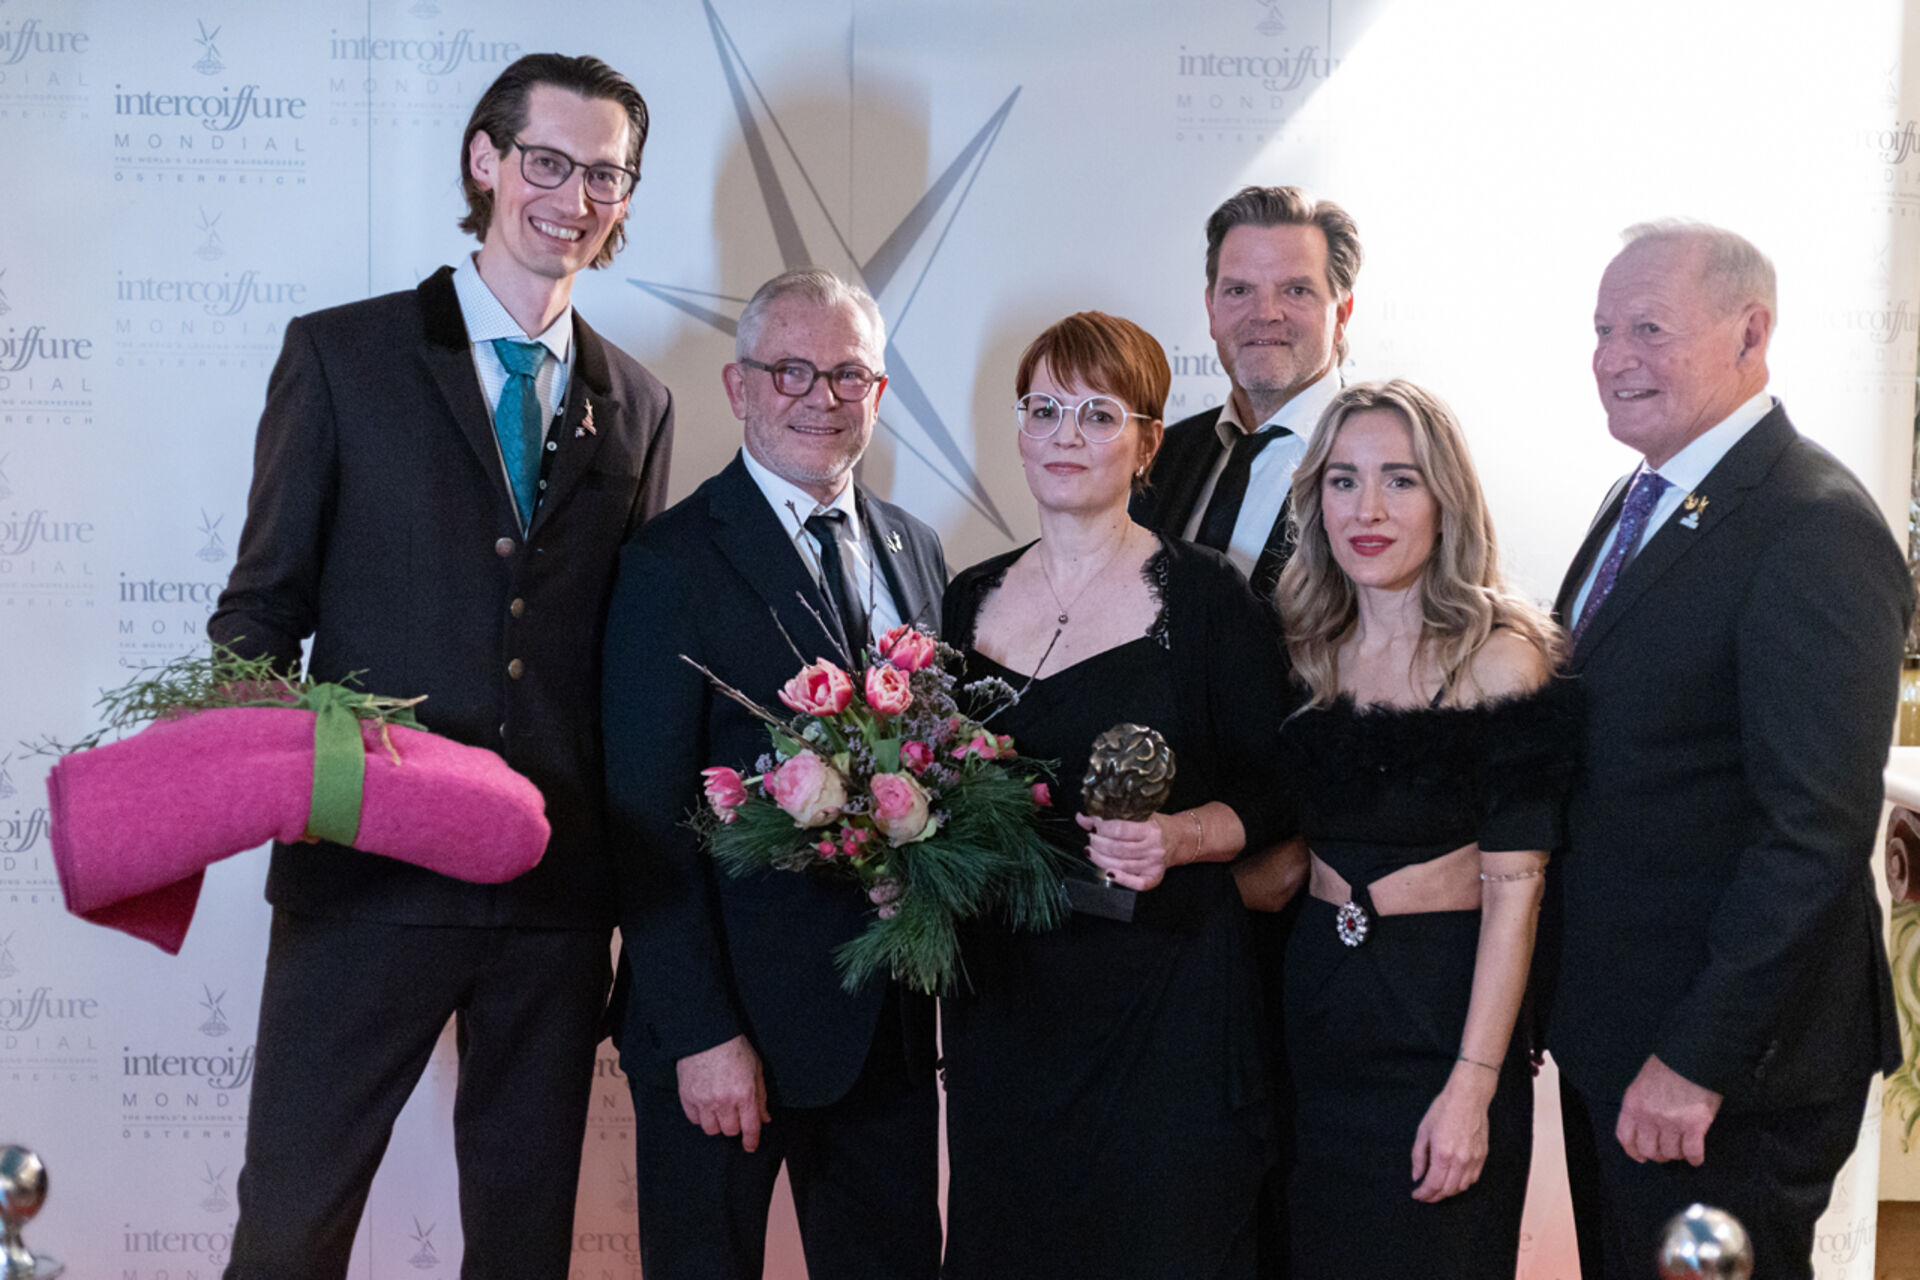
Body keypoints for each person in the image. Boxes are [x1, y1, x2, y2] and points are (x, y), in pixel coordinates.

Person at [208, 53, 674, 1278]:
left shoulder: (640, 403)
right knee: (291, 1226)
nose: (575, 198)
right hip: (362, 878)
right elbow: (258, 616)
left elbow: (630, 669)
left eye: (606, 175)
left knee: (523, 1247)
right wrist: (306, 784)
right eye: (548, 162)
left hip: (553, 898)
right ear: (485, 160)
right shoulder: (342, 355)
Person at [1546, 221, 1912, 1279]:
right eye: (1603, 329)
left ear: (1751, 333)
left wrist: (1696, 1060)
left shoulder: (1813, 524)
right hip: (1621, 1042)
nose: (1615, 356)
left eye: (1649, 329)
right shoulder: (1643, 495)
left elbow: (1813, 835)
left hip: (1722, 1080)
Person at [603, 268, 948, 1280]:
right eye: (790, 370)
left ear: (879, 393)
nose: (820, 397)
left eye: (848, 375)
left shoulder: (917, 549)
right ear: (738, 386)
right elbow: (644, 819)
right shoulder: (669, 564)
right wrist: (702, 1033)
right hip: (726, 1036)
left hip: (883, 1032)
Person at [940, 311, 1293, 1279]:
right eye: (1044, 409)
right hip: (1004, 1009)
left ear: (1147, 444)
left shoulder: (1209, 598)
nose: (1065, 434)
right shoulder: (966, 598)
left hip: (1166, 1007)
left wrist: (1182, 836)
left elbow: (1280, 790)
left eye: (1098, 415)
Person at [1236, 379, 1570, 1277]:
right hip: (1315, 1027)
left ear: (1446, 498)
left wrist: (1472, 1087)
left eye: (1400, 480)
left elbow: (1516, 892)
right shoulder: (1307, 652)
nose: (1368, 509)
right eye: (1343, 481)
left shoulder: (1502, 657)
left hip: (1441, 1030)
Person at [1131, 184, 1362, 600]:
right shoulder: (1162, 456)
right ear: (1212, 310)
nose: (1265, 314)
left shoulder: (1386, 463)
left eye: (1296, 290)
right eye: (1240, 290)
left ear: (1341, 314)